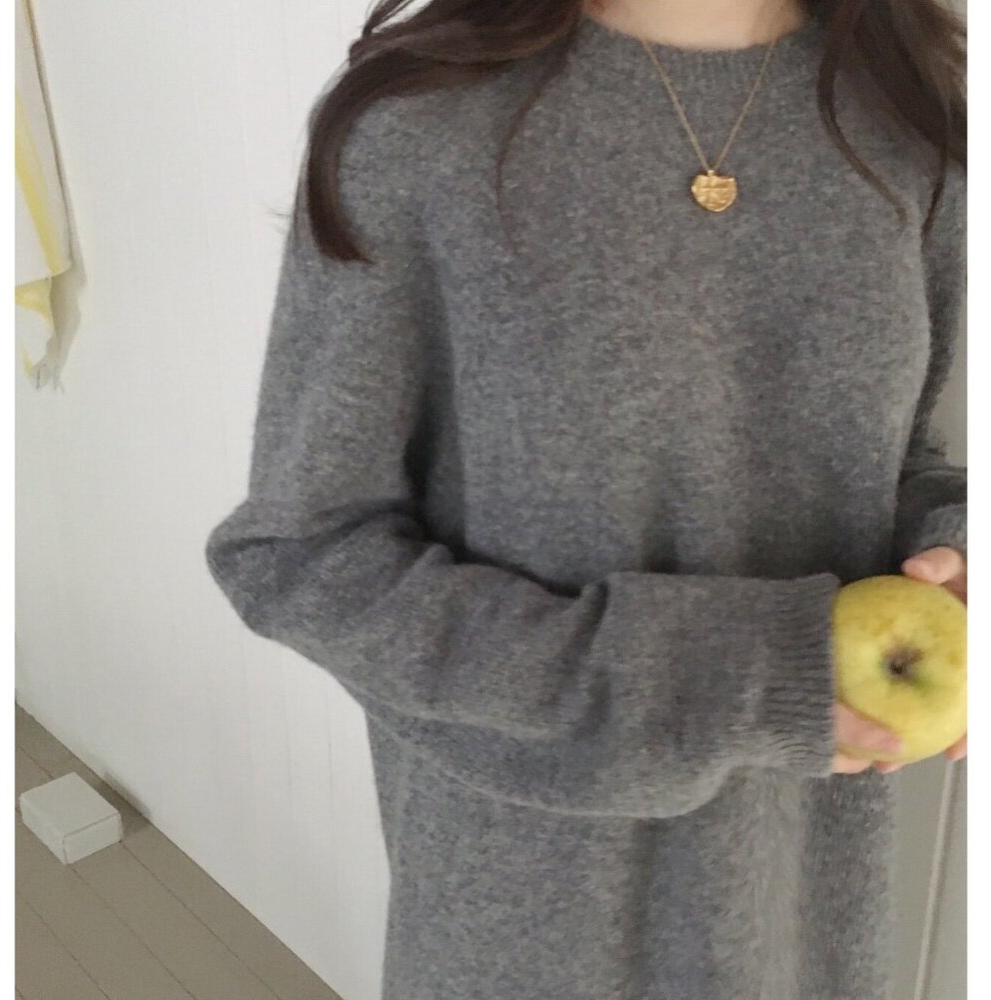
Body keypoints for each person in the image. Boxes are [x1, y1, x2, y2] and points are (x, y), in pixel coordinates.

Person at [204, 0, 967, 996]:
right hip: (528, 893)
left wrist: (951, 548)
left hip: (801, 886)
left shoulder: (911, 112)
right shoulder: (418, 126)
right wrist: (732, 675)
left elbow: (889, 455)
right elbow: (302, 554)